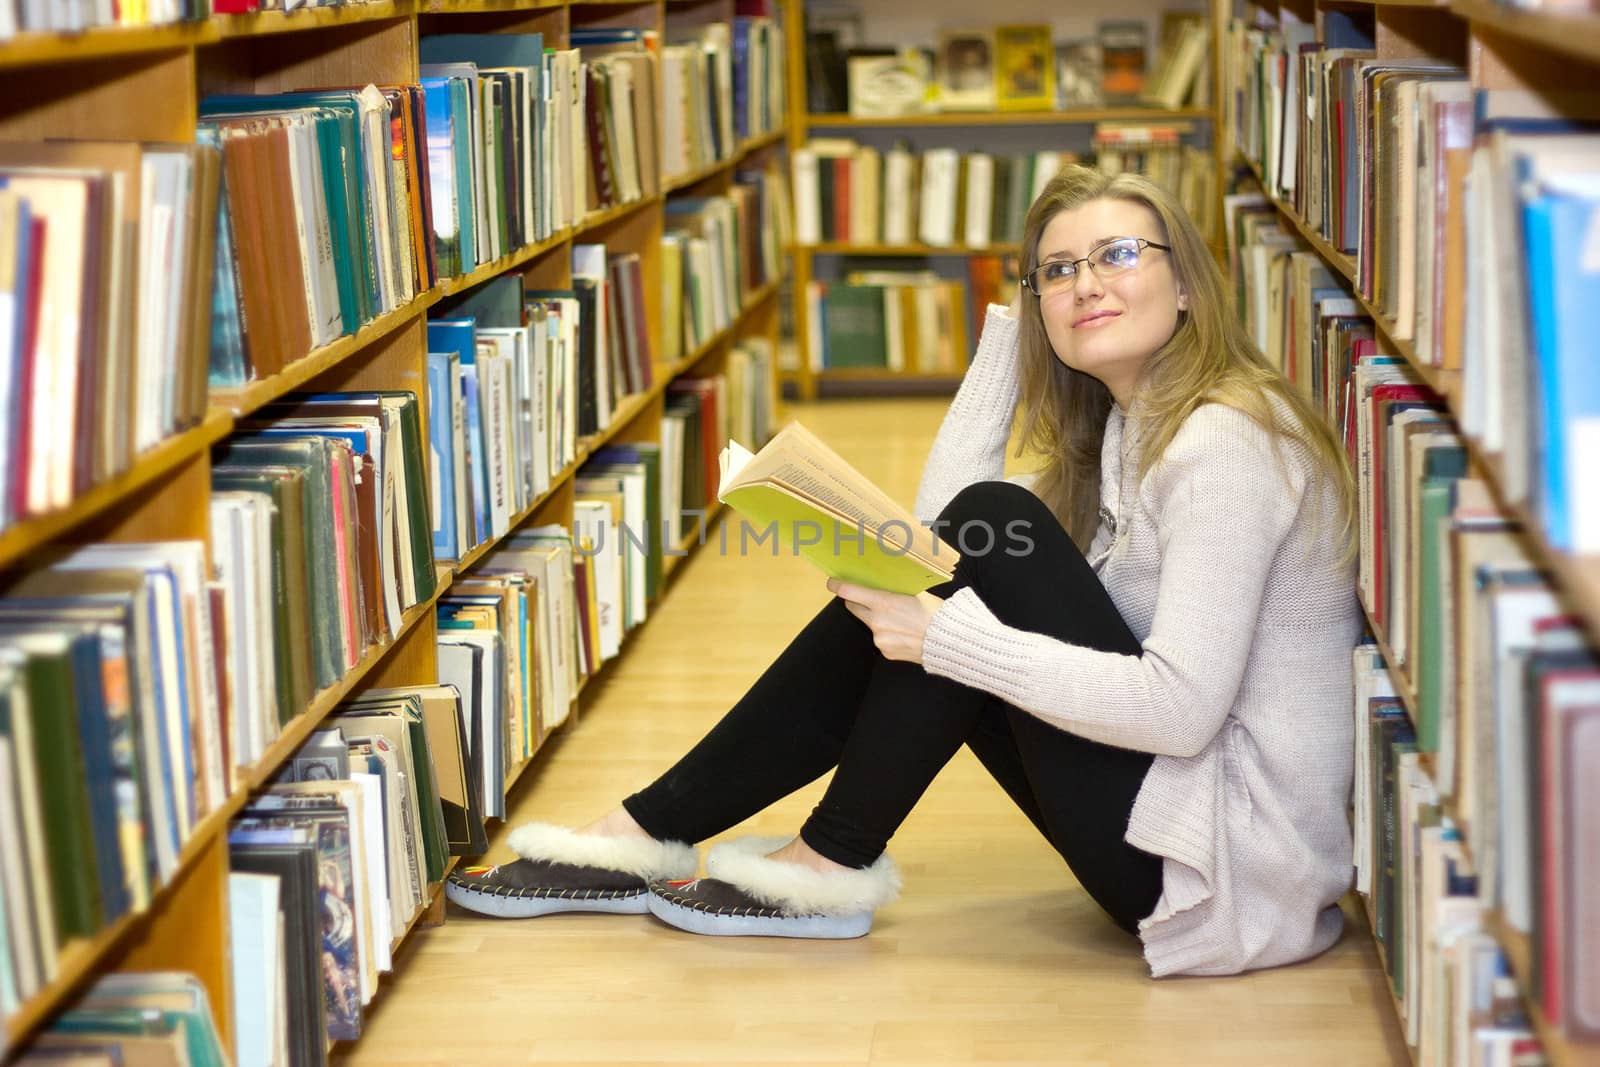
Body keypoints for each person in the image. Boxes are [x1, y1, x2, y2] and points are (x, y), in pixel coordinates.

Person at [445, 165, 1363, 977]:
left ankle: (802, 858)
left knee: (979, 562)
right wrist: (1014, 344)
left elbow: (1180, 706)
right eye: (1057, 270)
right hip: (1167, 811)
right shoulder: (1126, 423)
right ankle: (653, 834)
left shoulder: (1225, 443)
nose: (1086, 284)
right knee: (966, 558)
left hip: (1219, 870)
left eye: (1118, 254)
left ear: (1188, 282)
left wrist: (954, 640)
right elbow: (943, 543)